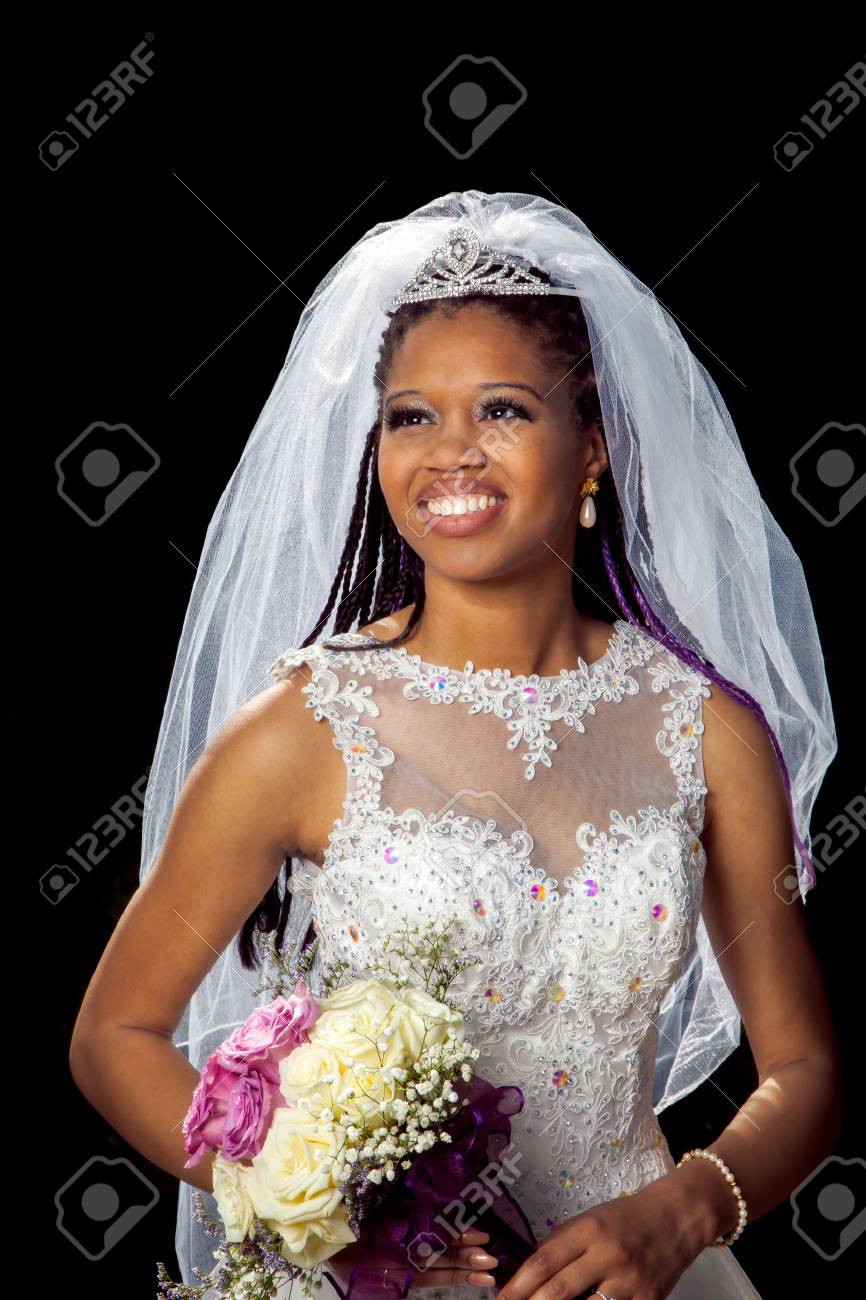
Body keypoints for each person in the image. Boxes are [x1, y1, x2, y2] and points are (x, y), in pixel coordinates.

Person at [70, 193, 841, 1299]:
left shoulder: (705, 731)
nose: (450, 455)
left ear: (594, 447)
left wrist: (686, 1207)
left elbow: (805, 1068)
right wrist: (328, 1202)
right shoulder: (302, 727)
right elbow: (116, 1035)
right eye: (408, 417)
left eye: (504, 411)